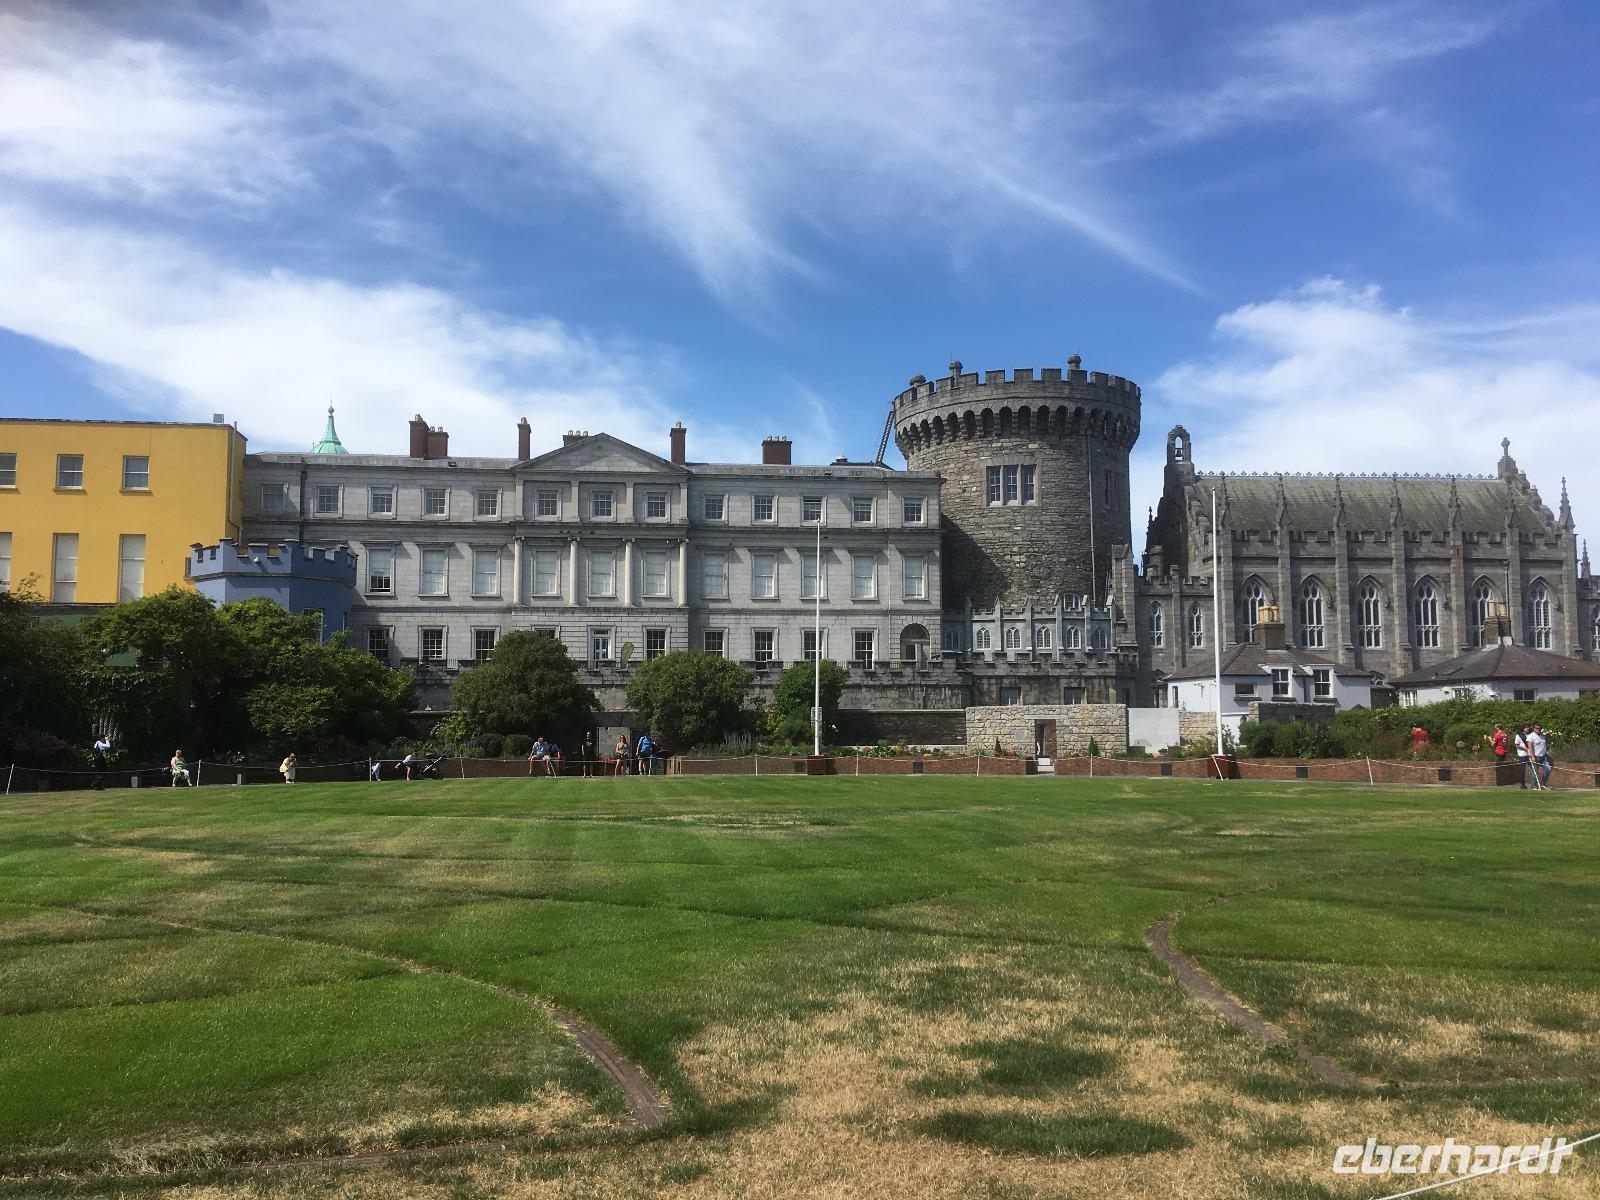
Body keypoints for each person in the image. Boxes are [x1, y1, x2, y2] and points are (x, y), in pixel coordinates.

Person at [1529, 724, 1552, 790]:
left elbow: (1544, 746)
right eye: (1536, 728)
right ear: (1534, 728)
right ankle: (1533, 786)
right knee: (1535, 771)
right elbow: (1530, 747)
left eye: (1539, 728)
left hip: (1543, 757)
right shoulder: (1531, 736)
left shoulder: (1542, 736)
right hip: (1535, 756)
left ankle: (1543, 784)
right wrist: (1532, 756)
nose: (1538, 729)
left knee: (1548, 770)